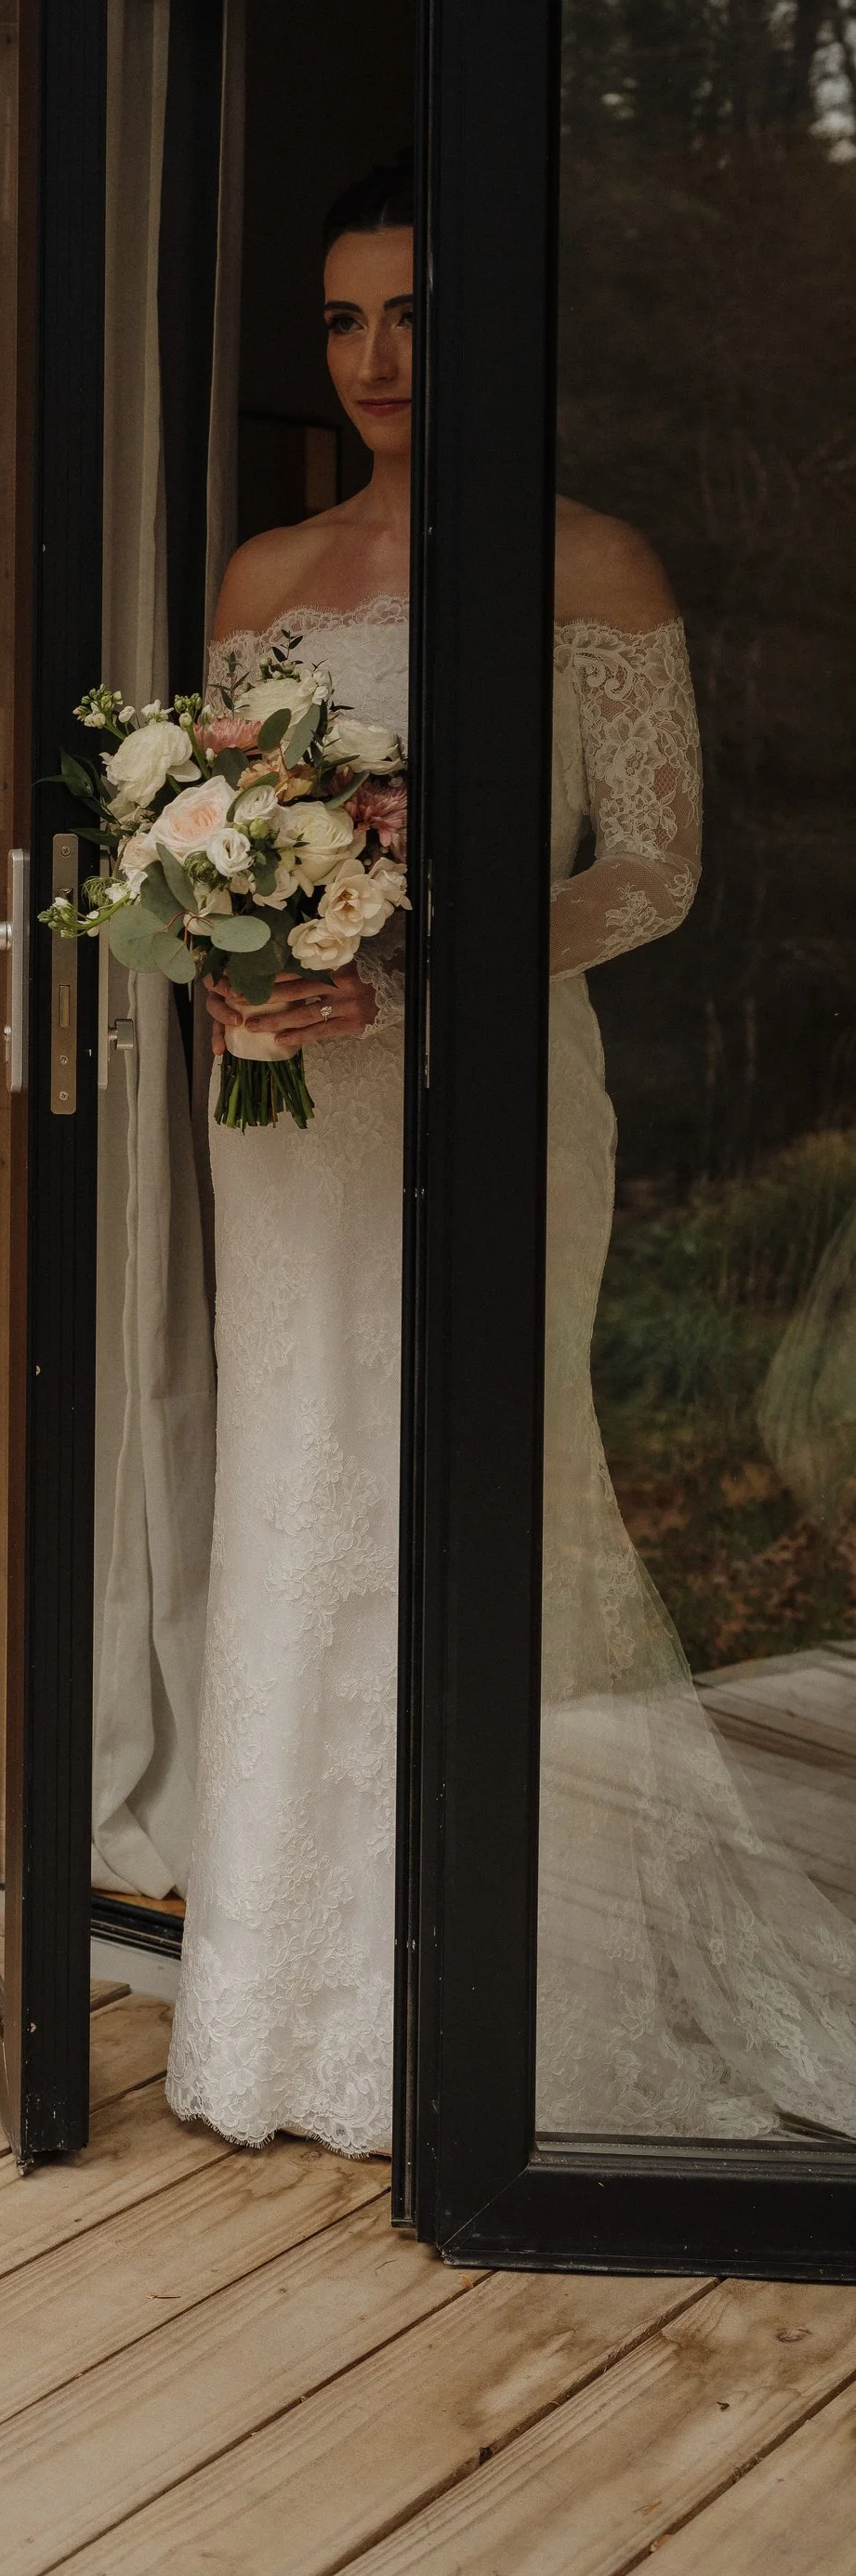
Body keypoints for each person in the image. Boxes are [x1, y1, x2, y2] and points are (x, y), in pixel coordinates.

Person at [162, 150, 856, 2158]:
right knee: (297, 1480)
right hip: (290, 1117)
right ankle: (291, 2010)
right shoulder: (260, 584)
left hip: (492, 1087)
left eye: (414, 312)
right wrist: (228, 985)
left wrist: (429, 946)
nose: (374, 356)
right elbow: (210, 861)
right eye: (342, 318)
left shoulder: (588, 565)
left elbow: (649, 870)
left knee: (485, 1474)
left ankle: (513, 2000)